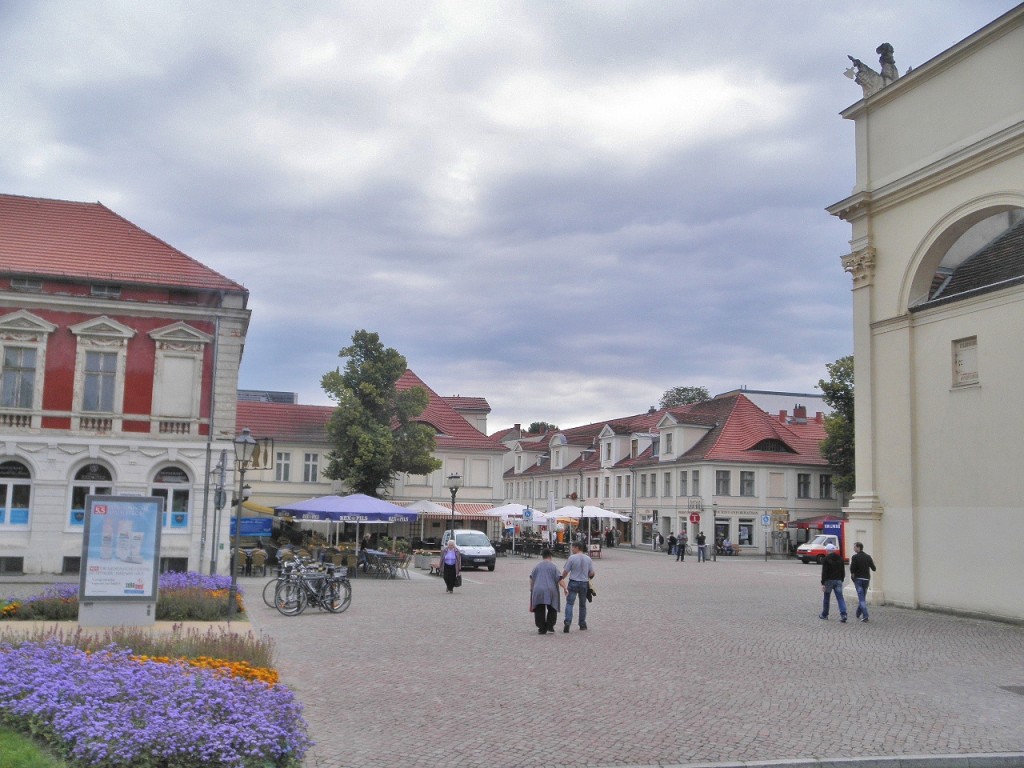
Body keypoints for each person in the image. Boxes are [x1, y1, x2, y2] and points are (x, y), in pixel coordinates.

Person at [560, 541, 595, 632]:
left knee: (570, 603)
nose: (572, 549)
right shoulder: (588, 559)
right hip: (584, 583)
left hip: (573, 582)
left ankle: (567, 622)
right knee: (582, 605)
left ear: (577, 548)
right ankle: (582, 624)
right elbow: (592, 573)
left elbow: (566, 571)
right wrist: (588, 576)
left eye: (573, 547)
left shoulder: (571, 558)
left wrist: (561, 578)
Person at [529, 548, 566, 634]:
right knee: (552, 607)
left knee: (539, 608)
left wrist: (531, 588)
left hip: (538, 589)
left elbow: (531, 578)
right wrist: (565, 588)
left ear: (542, 556)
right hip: (551, 589)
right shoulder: (554, 566)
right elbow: (560, 579)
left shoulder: (537, 566)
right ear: (550, 556)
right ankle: (550, 625)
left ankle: (541, 628)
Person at [819, 543, 848, 622]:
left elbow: (824, 572)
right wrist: (841, 579)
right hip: (838, 580)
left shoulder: (826, 559)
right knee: (840, 598)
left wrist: (823, 582)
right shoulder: (840, 559)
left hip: (828, 580)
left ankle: (824, 614)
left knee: (826, 598)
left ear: (828, 551)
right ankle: (843, 614)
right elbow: (843, 571)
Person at [849, 541, 877, 622]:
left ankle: (865, 615)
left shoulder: (855, 557)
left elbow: (852, 569)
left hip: (858, 579)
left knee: (861, 598)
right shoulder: (868, 557)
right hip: (866, 579)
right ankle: (858, 612)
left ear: (858, 547)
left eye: (854, 547)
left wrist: (853, 577)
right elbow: (874, 568)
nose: (854, 548)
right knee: (862, 597)